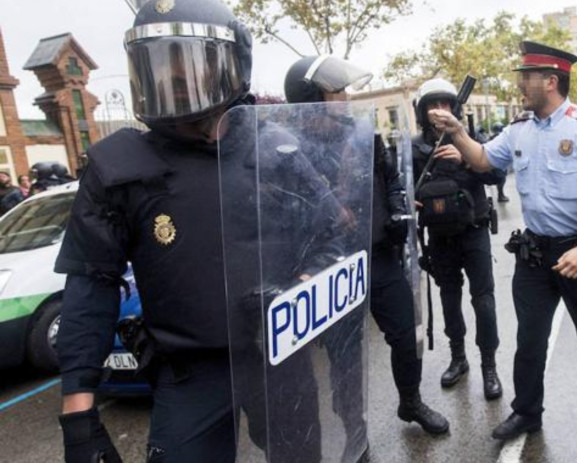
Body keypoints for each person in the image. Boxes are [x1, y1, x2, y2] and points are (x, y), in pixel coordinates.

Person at [54, 1, 338, 462]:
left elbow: (332, 235)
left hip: (279, 357)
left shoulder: (277, 149)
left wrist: (301, 290)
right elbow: (91, 285)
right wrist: (79, 414)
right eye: (159, 66)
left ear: (233, 68)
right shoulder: (121, 167)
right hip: (189, 375)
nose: (173, 81)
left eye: (187, 64)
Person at [427, 41, 577, 442]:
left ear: (550, 81)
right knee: (529, 338)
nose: (520, 84)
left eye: (527, 77)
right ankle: (527, 413)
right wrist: (459, 132)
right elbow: (483, 160)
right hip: (534, 253)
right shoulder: (519, 127)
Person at [283, 55, 449, 436]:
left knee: (406, 334)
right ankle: (354, 429)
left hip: (378, 256)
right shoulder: (294, 148)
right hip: (333, 264)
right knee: (345, 355)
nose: (345, 96)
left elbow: (390, 178)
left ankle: (410, 401)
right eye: (336, 90)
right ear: (310, 96)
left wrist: (396, 210)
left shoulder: (362, 133)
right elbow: (289, 212)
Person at [412, 78, 503, 401]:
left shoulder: (471, 138)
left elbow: (497, 174)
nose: (440, 111)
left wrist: (466, 156)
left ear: (456, 107)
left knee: (484, 301)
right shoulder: (415, 147)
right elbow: (402, 188)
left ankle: (489, 366)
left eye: (446, 104)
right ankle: (458, 358)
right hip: (439, 238)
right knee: (450, 299)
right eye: (433, 105)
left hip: (474, 231)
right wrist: (410, 200)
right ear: (422, 111)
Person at [489, 122, 510, 202]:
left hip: (495, 161)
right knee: (501, 180)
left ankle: (501, 195)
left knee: (501, 179)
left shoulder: (492, 137)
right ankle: (500, 195)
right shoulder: (499, 136)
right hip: (499, 162)